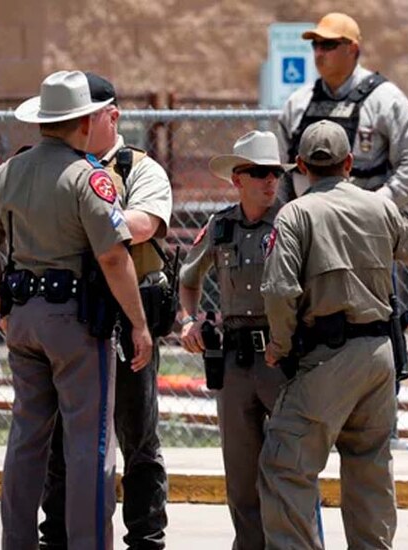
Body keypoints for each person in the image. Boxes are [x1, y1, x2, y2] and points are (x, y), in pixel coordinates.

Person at [0, 70, 153, 550]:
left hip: (23, 317)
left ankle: (18, 542)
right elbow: (113, 255)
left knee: (27, 439)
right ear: (84, 123)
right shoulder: (88, 178)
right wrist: (138, 323)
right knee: (89, 445)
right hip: (75, 322)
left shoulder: (8, 171)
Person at [259, 120, 408, 548]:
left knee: (287, 464)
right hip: (379, 356)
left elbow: (280, 289)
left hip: (325, 357)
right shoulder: (379, 207)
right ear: (349, 163)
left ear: (300, 165)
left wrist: (281, 345)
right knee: (369, 465)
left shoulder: (296, 214)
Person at [38, 72, 173, 550]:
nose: (71, 126)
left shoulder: (140, 169)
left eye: (83, 117)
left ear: (110, 117)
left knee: (137, 437)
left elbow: (144, 224)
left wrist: (87, 221)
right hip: (69, 318)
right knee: (61, 439)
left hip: (124, 319)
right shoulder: (53, 165)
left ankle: (146, 539)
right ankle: (55, 537)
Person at [175, 130, 290, 550]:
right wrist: (189, 321)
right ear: (237, 179)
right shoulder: (219, 226)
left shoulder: (293, 223)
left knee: (291, 470)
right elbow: (187, 279)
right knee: (240, 474)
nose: (270, 182)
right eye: (260, 173)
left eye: (275, 173)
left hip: (283, 359)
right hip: (236, 360)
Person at [277, 12, 408, 208]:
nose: (319, 53)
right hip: (307, 223)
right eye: (315, 45)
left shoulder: (385, 99)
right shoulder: (297, 103)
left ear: (352, 49)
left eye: (328, 45)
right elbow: (280, 170)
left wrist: (378, 204)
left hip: (365, 226)